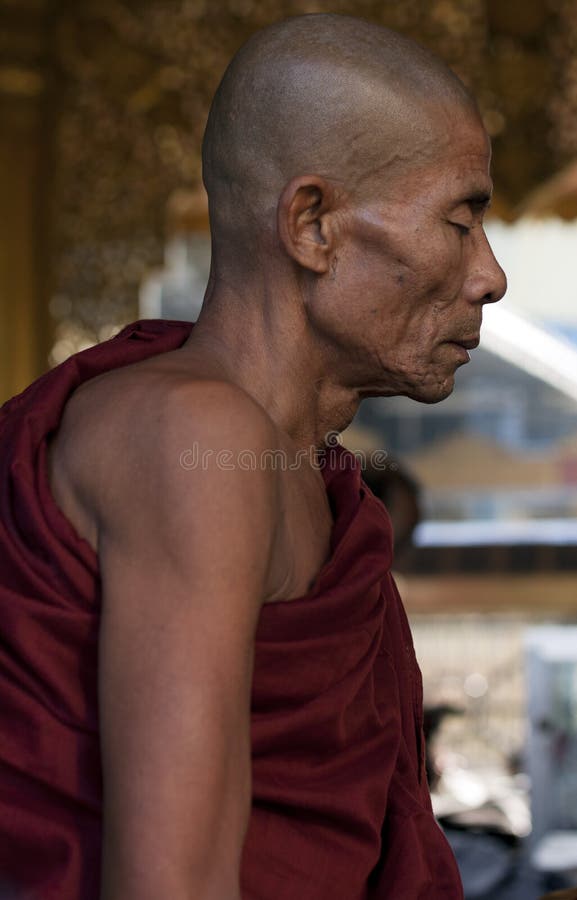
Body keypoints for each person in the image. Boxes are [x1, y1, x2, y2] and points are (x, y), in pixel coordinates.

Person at [0, 13, 506, 900]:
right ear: (312, 225)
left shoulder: (305, 474)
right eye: (460, 220)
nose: (489, 275)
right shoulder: (196, 436)